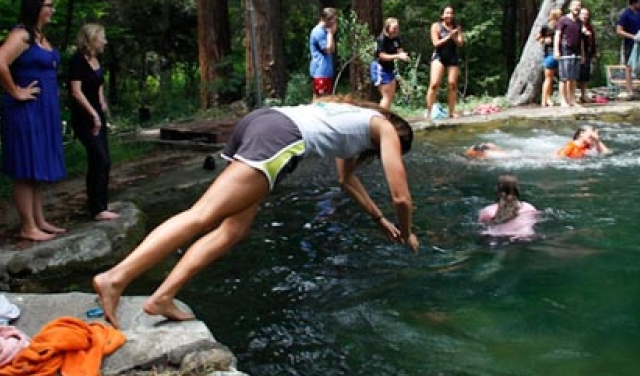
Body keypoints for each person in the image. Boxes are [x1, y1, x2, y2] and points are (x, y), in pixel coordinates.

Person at [92, 97, 419, 328]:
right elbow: (401, 197)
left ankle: (162, 297)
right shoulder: (384, 128)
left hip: (264, 122)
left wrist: (379, 220)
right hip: (279, 138)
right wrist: (406, 233)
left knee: (233, 229)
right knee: (201, 215)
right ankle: (114, 278)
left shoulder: (354, 116)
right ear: (397, 135)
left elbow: (346, 179)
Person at [0, 0, 67, 242]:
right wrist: (16, 92)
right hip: (26, 110)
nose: (52, 9)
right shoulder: (21, 35)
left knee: (38, 164)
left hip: (44, 109)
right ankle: (27, 226)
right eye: (49, 5)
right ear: (36, 7)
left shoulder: (40, 36)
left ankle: (39, 219)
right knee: (25, 166)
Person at [69, 23, 118, 221]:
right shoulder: (77, 61)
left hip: (97, 112)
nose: (105, 41)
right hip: (84, 116)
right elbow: (76, 91)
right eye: (101, 37)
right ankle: (97, 208)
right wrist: (93, 114)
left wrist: (102, 101)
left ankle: (100, 204)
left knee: (104, 160)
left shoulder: (96, 59)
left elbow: (98, 83)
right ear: (91, 39)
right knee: (99, 158)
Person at [425, 6, 464, 119]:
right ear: (442, 15)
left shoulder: (457, 27)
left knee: (452, 84)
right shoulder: (436, 26)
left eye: (451, 13)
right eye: (447, 13)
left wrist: (455, 37)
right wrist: (449, 37)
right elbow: (436, 43)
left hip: (452, 57)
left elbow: (460, 43)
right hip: (439, 56)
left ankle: (451, 112)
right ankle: (429, 112)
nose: (449, 16)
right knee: (434, 84)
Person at [478, 175, 539, 240]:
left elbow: (482, 224)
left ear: (497, 190)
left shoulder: (488, 211)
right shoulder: (529, 208)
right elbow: (535, 221)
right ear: (517, 190)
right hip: (525, 237)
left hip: (498, 239)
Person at [616, 0, 640, 99]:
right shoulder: (626, 14)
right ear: (634, 3)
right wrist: (632, 36)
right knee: (629, 67)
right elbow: (619, 30)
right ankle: (630, 91)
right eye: (639, 3)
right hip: (630, 44)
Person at [371, 17, 409, 110]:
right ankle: (382, 118)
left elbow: (399, 50)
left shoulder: (396, 39)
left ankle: (386, 116)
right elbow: (382, 56)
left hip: (390, 68)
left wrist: (403, 55)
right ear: (387, 28)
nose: (396, 30)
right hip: (380, 67)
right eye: (394, 28)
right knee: (386, 95)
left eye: (397, 28)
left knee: (391, 95)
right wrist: (398, 56)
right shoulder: (381, 39)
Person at [554, 0, 584, 108]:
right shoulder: (563, 20)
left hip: (576, 52)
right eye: (575, 6)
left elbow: (581, 39)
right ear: (570, 7)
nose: (577, 8)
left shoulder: (580, 22)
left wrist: (582, 53)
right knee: (564, 78)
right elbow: (557, 35)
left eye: (579, 6)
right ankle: (563, 100)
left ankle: (572, 100)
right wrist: (556, 50)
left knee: (573, 77)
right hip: (565, 51)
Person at [309, 8, 338, 99]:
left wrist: (331, 34)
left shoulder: (326, 32)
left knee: (326, 99)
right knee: (321, 100)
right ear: (325, 19)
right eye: (333, 20)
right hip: (320, 72)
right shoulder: (318, 32)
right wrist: (330, 34)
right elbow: (327, 49)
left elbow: (332, 49)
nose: (334, 23)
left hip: (327, 72)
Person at [537, 9, 561, 107]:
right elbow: (538, 37)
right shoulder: (546, 26)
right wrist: (544, 40)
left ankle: (551, 98)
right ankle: (544, 100)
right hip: (549, 54)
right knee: (548, 78)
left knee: (562, 78)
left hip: (561, 53)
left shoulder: (561, 26)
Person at [578, 8, 597, 103]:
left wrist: (593, 54)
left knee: (585, 75)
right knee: (575, 75)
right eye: (583, 14)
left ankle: (583, 94)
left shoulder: (589, 26)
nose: (585, 16)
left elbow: (593, 41)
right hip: (578, 53)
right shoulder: (576, 25)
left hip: (588, 52)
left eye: (586, 14)